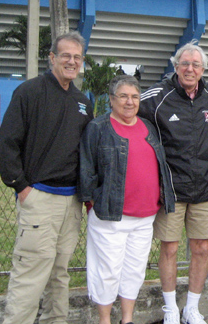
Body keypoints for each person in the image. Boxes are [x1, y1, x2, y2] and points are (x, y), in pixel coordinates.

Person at [0, 31, 94, 324]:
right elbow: (7, 142)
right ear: (52, 58)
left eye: (77, 57)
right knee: (31, 272)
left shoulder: (83, 102)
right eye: (65, 55)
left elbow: (87, 152)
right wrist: (21, 187)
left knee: (59, 273)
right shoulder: (29, 92)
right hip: (38, 198)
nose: (71, 61)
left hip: (71, 202)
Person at [79, 75, 175, 324]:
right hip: (111, 215)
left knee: (133, 270)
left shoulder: (147, 126)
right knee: (107, 271)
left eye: (134, 96)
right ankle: (104, 320)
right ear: (111, 100)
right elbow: (87, 168)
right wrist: (91, 204)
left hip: (145, 216)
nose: (129, 102)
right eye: (123, 96)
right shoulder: (98, 128)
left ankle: (127, 319)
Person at [138, 41, 208, 324]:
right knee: (170, 248)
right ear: (175, 66)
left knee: (201, 248)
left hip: (206, 188)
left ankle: (192, 308)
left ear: (203, 69)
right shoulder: (155, 96)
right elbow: (130, 124)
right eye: (184, 64)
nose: (190, 69)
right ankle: (170, 308)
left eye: (196, 65)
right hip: (171, 189)